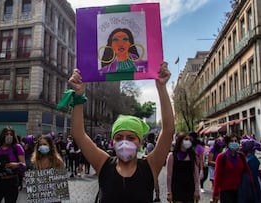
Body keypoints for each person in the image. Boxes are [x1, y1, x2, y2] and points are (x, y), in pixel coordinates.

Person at [67, 62, 174, 202]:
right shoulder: (103, 164)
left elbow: (168, 130)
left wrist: (161, 87)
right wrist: (78, 96)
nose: (124, 141)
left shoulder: (150, 166)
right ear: (113, 141)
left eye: (131, 137)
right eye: (119, 137)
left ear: (140, 142)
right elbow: (78, 134)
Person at [0, 127, 26, 203]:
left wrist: (16, 165)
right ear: (3, 136)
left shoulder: (17, 147)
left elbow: (24, 165)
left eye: (11, 134)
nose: (9, 136)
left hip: (11, 182)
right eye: (7, 134)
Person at [212, 134, 252, 203]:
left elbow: (248, 172)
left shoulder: (241, 156)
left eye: (235, 141)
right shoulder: (221, 157)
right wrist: (215, 192)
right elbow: (217, 176)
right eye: (231, 141)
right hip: (226, 191)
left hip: (240, 190)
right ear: (227, 143)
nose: (234, 143)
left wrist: (252, 186)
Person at [166, 132, 200, 203]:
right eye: (186, 139)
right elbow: (169, 175)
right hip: (177, 188)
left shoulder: (193, 156)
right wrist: (169, 192)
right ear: (180, 141)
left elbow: (196, 175)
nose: (188, 141)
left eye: (190, 140)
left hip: (190, 188)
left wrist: (197, 190)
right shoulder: (172, 156)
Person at [240, 138, 261, 203]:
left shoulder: (252, 159)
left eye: (242, 145)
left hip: (250, 183)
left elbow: (253, 176)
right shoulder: (247, 157)